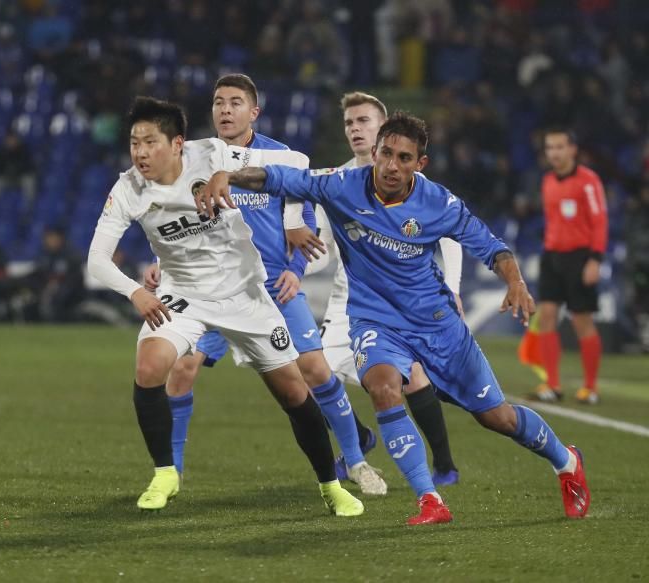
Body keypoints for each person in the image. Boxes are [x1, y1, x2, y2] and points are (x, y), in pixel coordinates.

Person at [195, 111, 590, 525]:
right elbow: (279, 179)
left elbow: (492, 247)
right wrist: (229, 176)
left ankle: (566, 462)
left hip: (437, 325)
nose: (391, 166)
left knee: (497, 417)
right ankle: (430, 500)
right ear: (377, 152)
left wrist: (516, 282)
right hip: (375, 322)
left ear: (419, 165)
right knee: (383, 388)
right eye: (386, 154)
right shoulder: (342, 186)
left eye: (404, 158)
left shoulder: (438, 203)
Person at [88, 96, 364, 516]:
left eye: (149, 142)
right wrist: (136, 292)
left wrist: (230, 174)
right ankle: (165, 473)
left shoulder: (212, 152)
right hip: (183, 296)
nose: (140, 153)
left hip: (245, 296)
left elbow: (293, 161)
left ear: (178, 143)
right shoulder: (128, 188)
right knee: (150, 367)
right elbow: (96, 259)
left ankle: (331, 485)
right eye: (134, 143)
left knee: (293, 390)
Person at [142, 75, 386, 496]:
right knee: (180, 369)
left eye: (236, 103)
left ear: (253, 112)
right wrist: (161, 261)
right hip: (209, 289)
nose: (225, 110)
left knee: (314, 370)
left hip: (272, 285)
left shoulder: (284, 159)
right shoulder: (193, 158)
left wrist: (296, 269)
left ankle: (357, 461)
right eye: (219, 102)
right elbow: (174, 222)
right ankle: (172, 473)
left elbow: (303, 221)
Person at [289, 92, 461, 486]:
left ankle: (445, 463)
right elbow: (325, 248)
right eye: (349, 123)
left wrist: (452, 288)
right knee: (309, 375)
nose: (354, 129)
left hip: (399, 302)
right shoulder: (337, 182)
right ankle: (360, 438)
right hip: (345, 303)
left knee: (412, 376)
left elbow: (450, 238)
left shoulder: (414, 184)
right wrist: (294, 267)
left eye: (363, 121)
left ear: (384, 129)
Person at [527, 129, 608, 405]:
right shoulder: (547, 180)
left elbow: (599, 221)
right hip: (552, 257)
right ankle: (552, 384)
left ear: (573, 149)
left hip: (580, 257)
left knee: (581, 320)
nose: (554, 153)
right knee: (547, 315)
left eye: (560, 147)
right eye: (550, 147)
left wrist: (595, 259)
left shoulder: (588, 182)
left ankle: (590, 387)